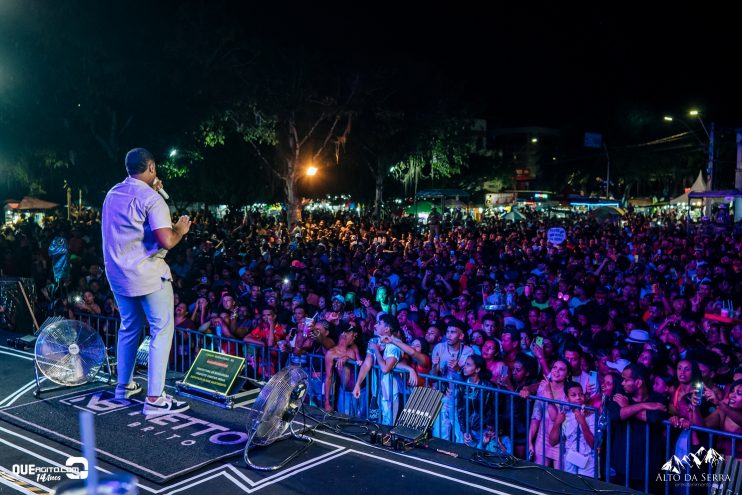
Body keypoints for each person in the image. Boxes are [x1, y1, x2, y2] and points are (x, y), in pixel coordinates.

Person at [102, 147, 191, 416]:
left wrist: (154, 190)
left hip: (118, 273)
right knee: (161, 330)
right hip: (149, 275)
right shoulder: (153, 200)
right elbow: (166, 240)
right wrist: (181, 229)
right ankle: (154, 399)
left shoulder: (112, 193)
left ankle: (123, 386)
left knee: (129, 327)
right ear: (151, 167)